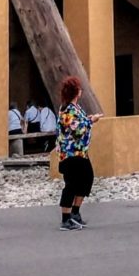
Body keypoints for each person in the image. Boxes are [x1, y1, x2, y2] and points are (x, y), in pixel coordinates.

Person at [54, 75, 102, 230]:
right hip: (70, 154)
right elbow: (77, 129)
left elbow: (79, 123)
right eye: (80, 88)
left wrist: (87, 119)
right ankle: (65, 218)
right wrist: (91, 120)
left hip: (80, 152)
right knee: (71, 184)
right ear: (76, 92)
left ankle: (75, 213)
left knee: (87, 179)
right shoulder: (67, 109)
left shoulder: (76, 108)